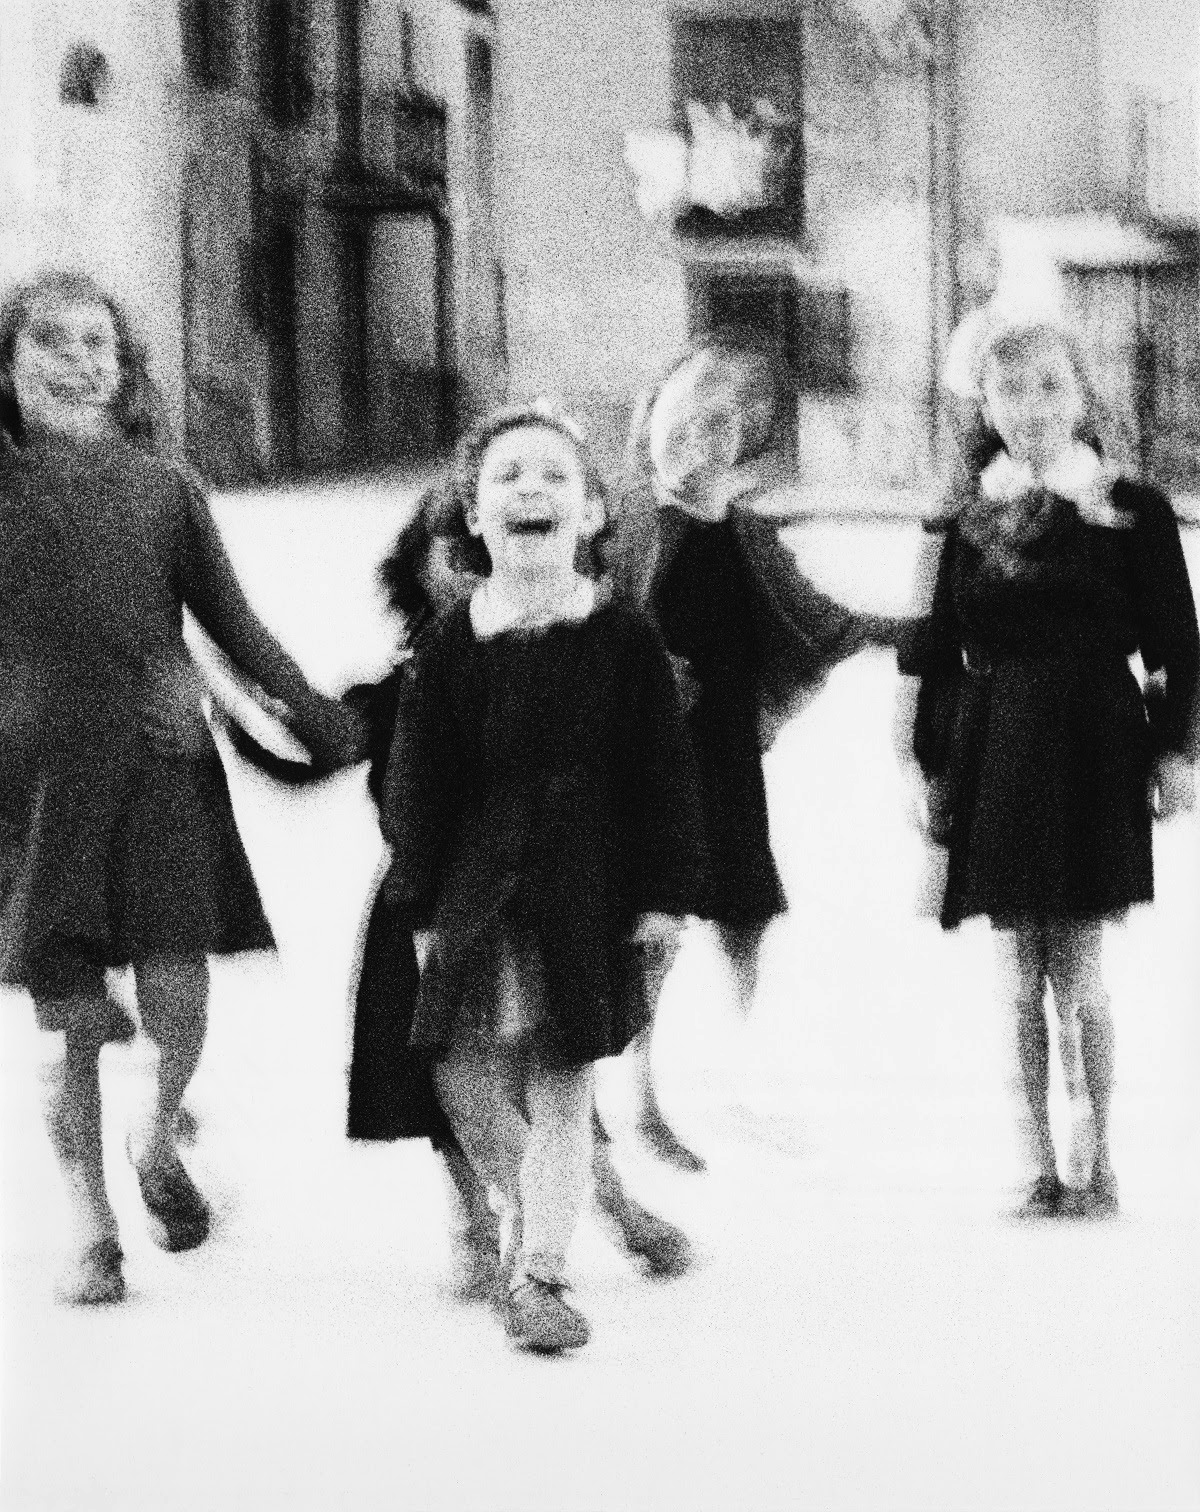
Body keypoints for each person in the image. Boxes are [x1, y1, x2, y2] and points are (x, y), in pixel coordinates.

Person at [0, 268, 362, 1304]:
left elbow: (233, 625)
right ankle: (89, 1230)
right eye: (50, 342)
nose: (77, 361)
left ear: (125, 367)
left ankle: (156, 1137)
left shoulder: (165, 487)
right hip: (28, 794)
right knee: (69, 1021)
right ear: (8, 361)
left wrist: (318, 717)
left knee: (178, 999)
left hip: (161, 772)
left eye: (97, 344)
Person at [382, 403, 708, 1352]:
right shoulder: (449, 648)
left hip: (588, 889)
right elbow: (419, 787)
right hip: (478, 894)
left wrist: (666, 894)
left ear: (595, 515)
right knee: (465, 1075)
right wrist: (419, 900)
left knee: (564, 1080)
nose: (531, 489)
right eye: (508, 477)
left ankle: (543, 1274)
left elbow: (665, 778)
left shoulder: (625, 639)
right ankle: (532, 1214)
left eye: (555, 477)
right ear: (473, 519)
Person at [900, 309, 1199, 1218]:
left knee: (1079, 967)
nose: (1031, 406)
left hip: (1095, 742)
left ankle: (1097, 1156)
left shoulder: (1126, 507)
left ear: (1082, 396)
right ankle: (1034, 1162)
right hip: (994, 747)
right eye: (1010, 388)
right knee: (1014, 974)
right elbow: (934, 648)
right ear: (983, 404)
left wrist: (1177, 750)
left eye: (1050, 386)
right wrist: (928, 766)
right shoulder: (963, 515)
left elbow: (1178, 645)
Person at [609, 335, 901, 1169]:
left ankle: (728, 1074)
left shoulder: (746, 535)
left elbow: (827, 619)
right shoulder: (625, 526)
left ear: (749, 448)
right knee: (650, 932)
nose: (703, 436)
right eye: (689, 414)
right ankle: (640, 1094)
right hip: (646, 776)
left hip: (728, 763)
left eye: (727, 425)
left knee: (745, 916)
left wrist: (940, 622)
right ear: (651, 412)